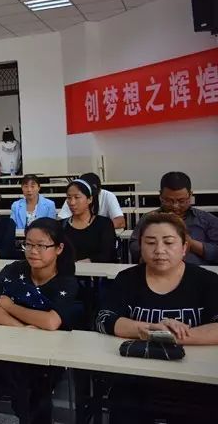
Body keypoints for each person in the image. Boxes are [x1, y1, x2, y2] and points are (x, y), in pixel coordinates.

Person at [96, 212, 218, 423]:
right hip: (136, 380)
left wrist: (172, 336)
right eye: (150, 243)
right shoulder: (127, 279)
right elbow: (103, 319)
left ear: (184, 247)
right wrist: (147, 328)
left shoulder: (207, 281)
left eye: (169, 242)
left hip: (195, 380)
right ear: (140, 247)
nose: (159, 250)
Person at [0, 218, 79, 424]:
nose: (33, 251)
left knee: (31, 401)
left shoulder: (66, 281)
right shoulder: (14, 270)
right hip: (3, 348)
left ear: (59, 248)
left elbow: (51, 321)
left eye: (41, 246)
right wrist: (23, 328)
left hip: (42, 357)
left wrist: (9, 306)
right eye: (28, 244)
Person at [129, 171, 218, 265]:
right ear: (160, 196)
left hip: (197, 271)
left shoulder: (207, 220)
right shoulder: (149, 218)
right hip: (157, 269)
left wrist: (190, 243)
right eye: (169, 201)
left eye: (181, 201)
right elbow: (134, 247)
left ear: (190, 195)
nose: (175, 206)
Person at [62, 179, 116, 262]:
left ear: (89, 199)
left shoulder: (104, 224)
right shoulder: (61, 225)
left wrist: (88, 261)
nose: (72, 202)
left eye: (77, 197)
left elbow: (108, 254)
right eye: (69, 198)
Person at [58, 172, 126, 229]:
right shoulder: (72, 198)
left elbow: (120, 222)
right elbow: (61, 220)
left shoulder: (108, 196)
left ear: (100, 190)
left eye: (94, 193)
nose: (92, 196)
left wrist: (94, 228)